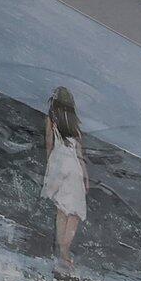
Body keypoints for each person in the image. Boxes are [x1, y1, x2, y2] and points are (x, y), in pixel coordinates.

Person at [41, 87, 87, 264]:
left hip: (59, 164)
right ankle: (65, 252)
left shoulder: (51, 119)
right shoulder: (74, 124)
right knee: (74, 212)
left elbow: (48, 143)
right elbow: (80, 154)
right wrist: (85, 177)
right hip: (74, 167)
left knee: (62, 210)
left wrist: (50, 166)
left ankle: (62, 251)